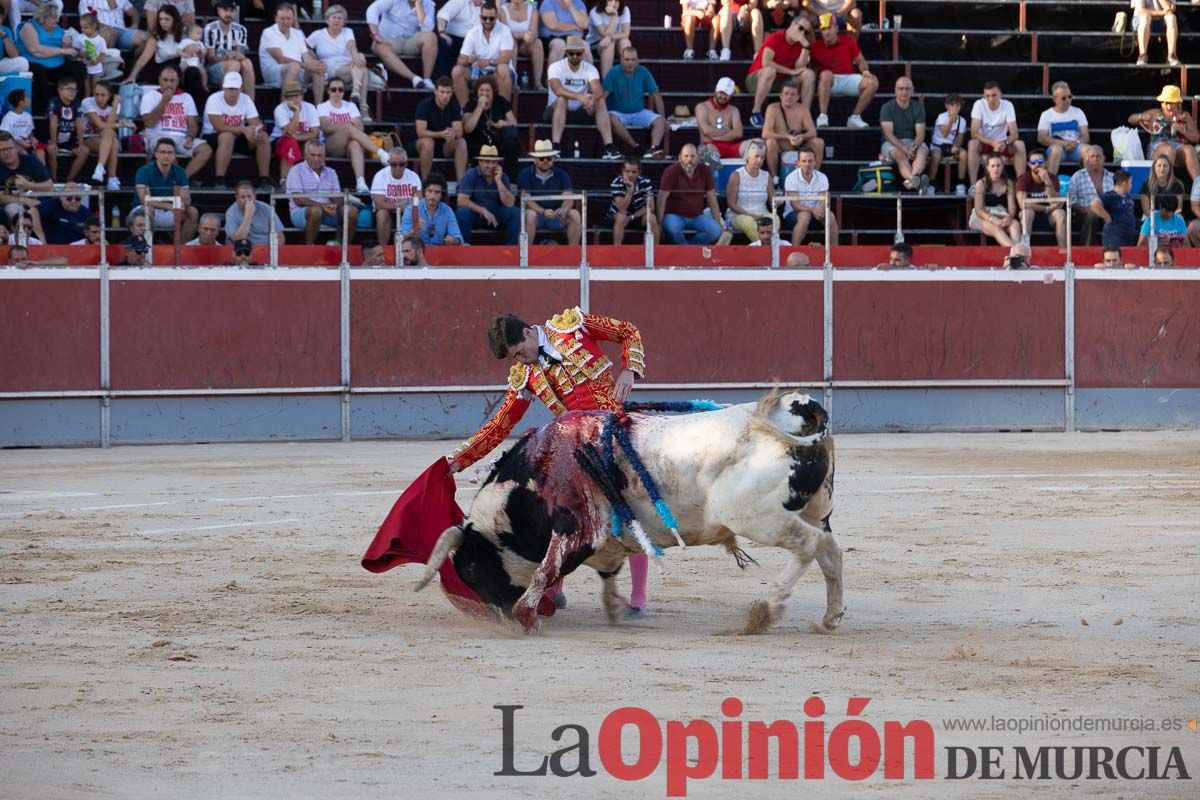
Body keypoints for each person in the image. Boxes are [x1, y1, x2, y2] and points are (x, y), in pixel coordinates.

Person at [447, 308, 649, 616]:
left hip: (615, 433)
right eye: (515, 358)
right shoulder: (526, 376)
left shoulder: (574, 327)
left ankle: (638, 598)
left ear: (528, 333)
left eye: (520, 353)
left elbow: (628, 330)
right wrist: (459, 460)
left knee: (631, 512)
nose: (521, 361)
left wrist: (629, 370)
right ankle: (553, 592)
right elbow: (500, 425)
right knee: (558, 515)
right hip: (575, 447)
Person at [545, 36, 620, 159]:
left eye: (578, 53)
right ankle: (556, 145)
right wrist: (579, 97)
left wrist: (592, 99)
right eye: (571, 53)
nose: (575, 56)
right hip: (555, 110)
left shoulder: (590, 68)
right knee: (562, 99)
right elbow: (557, 89)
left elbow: (598, 89)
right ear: (566, 53)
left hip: (580, 110)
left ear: (583, 53)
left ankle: (609, 146)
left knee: (600, 101)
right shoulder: (555, 67)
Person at [123, 3, 205, 109]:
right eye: (161, 19)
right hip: (163, 68)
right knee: (174, 71)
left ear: (174, 20)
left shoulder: (185, 34)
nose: (163, 22)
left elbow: (198, 50)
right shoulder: (156, 37)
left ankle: (197, 109)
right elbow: (143, 59)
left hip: (182, 65)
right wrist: (132, 75)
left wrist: (194, 49)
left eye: (167, 19)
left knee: (193, 71)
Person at [318, 76, 392, 194]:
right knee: (348, 128)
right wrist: (346, 126)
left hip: (348, 145)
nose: (337, 92)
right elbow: (326, 128)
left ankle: (360, 182)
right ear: (328, 91)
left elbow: (360, 128)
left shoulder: (350, 106)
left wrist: (342, 127)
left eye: (340, 90)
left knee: (355, 143)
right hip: (331, 144)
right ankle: (381, 153)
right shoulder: (323, 107)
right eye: (333, 89)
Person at [140, 65, 213, 180]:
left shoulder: (186, 97)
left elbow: (192, 123)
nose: (169, 84)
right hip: (158, 137)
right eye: (165, 80)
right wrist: (164, 101)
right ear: (159, 80)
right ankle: (179, 183)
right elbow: (149, 122)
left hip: (181, 137)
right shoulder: (150, 96)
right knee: (169, 152)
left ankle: (182, 178)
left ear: (178, 81)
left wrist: (190, 136)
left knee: (205, 150)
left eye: (172, 80)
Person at [202, 73, 272, 190]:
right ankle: (219, 179)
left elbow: (255, 121)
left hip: (238, 136)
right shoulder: (214, 99)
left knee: (263, 137)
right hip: (213, 136)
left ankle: (264, 179)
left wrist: (256, 129)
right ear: (224, 88)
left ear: (241, 88)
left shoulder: (246, 99)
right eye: (230, 88)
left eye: (236, 88)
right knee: (227, 136)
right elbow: (219, 127)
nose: (233, 92)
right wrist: (244, 129)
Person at [18, 4, 89, 115]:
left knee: (78, 68)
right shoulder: (28, 27)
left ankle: (73, 105)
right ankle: (48, 109)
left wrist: (72, 49)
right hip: (34, 62)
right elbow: (35, 50)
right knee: (39, 72)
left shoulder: (58, 30)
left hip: (56, 63)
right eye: (54, 17)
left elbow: (66, 51)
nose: (57, 19)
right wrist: (62, 50)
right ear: (44, 18)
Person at [746, 14, 812, 128]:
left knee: (808, 74)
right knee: (769, 71)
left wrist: (806, 47)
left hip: (780, 82)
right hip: (757, 79)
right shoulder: (776, 37)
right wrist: (790, 72)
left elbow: (799, 69)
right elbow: (766, 63)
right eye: (800, 28)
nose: (802, 34)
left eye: (805, 32)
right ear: (792, 24)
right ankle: (755, 112)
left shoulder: (800, 44)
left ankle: (804, 115)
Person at [287, 140, 358, 244]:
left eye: (319, 155)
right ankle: (309, 248)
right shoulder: (296, 170)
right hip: (301, 212)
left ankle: (344, 247)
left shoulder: (331, 172)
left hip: (327, 211)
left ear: (324, 156)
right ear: (305, 155)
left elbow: (337, 197)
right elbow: (298, 200)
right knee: (316, 211)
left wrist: (334, 206)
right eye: (313, 155)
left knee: (351, 211)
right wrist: (322, 206)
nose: (316, 159)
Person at [810, 14, 873, 129]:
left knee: (873, 82)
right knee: (826, 74)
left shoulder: (848, 41)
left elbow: (861, 61)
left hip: (849, 78)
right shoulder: (815, 46)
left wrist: (865, 71)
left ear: (836, 29)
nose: (827, 32)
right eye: (824, 29)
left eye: (829, 28)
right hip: (829, 81)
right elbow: (812, 67)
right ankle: (823, 116)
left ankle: (855, 117)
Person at [602, 46, 665, 160]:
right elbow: (603, 97)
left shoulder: (643, 71)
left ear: (637, 61)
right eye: (626, 60)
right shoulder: (613, 73)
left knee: (660, 121)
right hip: (617, 113)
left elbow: (656, 95)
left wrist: (663, 117)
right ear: (621, 60)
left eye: (633, 59)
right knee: (610, 118)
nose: (630, 63)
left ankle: (654, 147)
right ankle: (636, 147)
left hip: (638, 112)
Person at [309, 5, 375, 113]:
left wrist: (355, 56)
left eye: (339, 18)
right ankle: (363, 106)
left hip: (347, 68)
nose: (336, 20)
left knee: (361, 60)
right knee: (363, 69)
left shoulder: (347, 31)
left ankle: (357, 92)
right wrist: (314, 59)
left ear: (343, 22)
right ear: (327, 20)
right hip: (329, 70)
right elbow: (306, 47)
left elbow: (351, 44)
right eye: (333, 17)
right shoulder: (318, 34)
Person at [1128, 85, 1199, 183]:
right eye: (1165, 103)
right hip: (1157, 148)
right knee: (1169, 150)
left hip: (1178, 148)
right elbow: (1131, 119)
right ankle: (1166, 187)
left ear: (1178, 103)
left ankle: (1198, 187)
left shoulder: (1185, 115)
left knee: (1190, 150)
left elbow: (1196, 138)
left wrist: (1182, 130)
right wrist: (1141, 116)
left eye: (1171, 103)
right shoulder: (1156, 113)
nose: (1168, 106)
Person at [134, 138, 199, 243]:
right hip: (144, 210)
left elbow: (187, 199)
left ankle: (178, 251)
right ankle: (145, 251)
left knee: (192, 212)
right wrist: (169, 206)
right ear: (156, 154)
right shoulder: (144, 171)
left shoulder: (180, 172)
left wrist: (183, 203)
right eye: (163, 152)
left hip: (170, 211)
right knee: (148, 209)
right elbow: (144, 200)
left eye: (170, 152)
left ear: (174, 155)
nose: (166, 155)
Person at [517, 139, 581, 243]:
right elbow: (526, 201)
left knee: (575, 215)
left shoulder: (562, 174)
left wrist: (563, 209)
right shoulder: (525, 174)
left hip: (556, 215)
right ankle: (525, 257)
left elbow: (568, 197)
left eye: (549, 158)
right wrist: (543, 211)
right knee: (530, 215)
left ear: (553, 159)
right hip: (536, 216)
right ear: (535, 159)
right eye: (542, 158)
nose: (546, 161)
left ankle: (573, 255)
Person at [658, 143, 723, 244]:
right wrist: (659, 224)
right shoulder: (671, 171)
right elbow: (661, 199)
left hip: (697, 216)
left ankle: (687, 251)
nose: (689, 159)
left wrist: (718, 222)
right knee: (673, 229)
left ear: (698, 157)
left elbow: (712, 198)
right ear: (680, 158)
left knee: (716, 231)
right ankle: (687, 253)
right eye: (686, 156)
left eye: (692, 156)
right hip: (674, 215)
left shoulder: (705, 171)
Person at [455, 144, 520, 244]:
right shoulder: (471, 174)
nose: (490, 166)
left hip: (497, 214)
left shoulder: (503, 177)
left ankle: (512, 251)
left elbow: (510, 203)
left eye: (493, 162)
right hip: (477, 214)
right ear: (480, 162)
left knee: (516, 213)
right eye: (487, 162)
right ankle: (464, 246)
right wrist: (482, 210)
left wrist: (498, 180)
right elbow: (461, 200)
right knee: (461, 213)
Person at [452, 1, 514, 106]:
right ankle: (465, 111)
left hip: (497, 74)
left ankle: (504, 111)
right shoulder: (473, 32)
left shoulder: (505, 30)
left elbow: (507, 58)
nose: (488, 21)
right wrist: (468, 60)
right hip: (477, 73)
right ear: (480, 17)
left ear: (497, 17)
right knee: (457, 71)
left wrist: (489, 62)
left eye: (491, 18)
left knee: (503, 68)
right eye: (484, 18)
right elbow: (460, 60)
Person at [367, 0, 438, 92]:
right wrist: (375, 33)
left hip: (410, 40)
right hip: (390, 40)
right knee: (380, 47)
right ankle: (414, 78)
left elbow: (428, 29)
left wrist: (419, 6)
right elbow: (373, 9)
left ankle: (427, 79)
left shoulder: (429, 4)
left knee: (431, 37)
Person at [260, 4, 325, 100]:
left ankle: (318, 109)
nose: (285, 22)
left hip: (298, 69)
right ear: (276, 18)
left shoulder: (298, 33)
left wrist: (318, 65)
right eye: (282, 19)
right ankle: (284, 108)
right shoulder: (268, 32)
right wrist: (306, 65)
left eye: (288, 18)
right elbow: (280, 59)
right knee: (294, 66)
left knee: (317, 70)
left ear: (293, 18)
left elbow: (307, 57)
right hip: (274, 72)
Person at [967, 81, 1026, 184]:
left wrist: (1005, 143)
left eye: (994, 95)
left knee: (1020, 144)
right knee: (972, 144)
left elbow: (1015, 133)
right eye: (987, 96)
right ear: (983, 96)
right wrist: (992, 143)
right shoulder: (979, 104)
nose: (991, 99)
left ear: (1000, 95)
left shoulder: (1008, 105)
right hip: (985, 143)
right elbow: (974, 133)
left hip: (1002, 144)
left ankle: (1021, 185)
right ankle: (973, 186)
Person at [462, 74, 520, 176]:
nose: (484, 93)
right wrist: (479, 107)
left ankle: (511, 180)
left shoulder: (500, 101)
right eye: (481, 90)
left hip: (496, 141)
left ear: (493, 92)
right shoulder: (471, 104)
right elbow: (468, 128)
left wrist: (504, 123)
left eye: (488, 90)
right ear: (477, 92)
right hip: (477, 142)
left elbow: (513, 123)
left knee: (511, 144)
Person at [762, 78, 823, 175]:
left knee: (819, 142)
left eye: (792, 94)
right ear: (781, 95)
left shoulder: (803, 109)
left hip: (799, 145)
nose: (789, 97)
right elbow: (765, 133)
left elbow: (813, 132)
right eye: (786, 94)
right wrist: (787, 137)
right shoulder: (772, 108)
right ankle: (775, 178)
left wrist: (802, 137)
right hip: (781, 145)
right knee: (770, 142)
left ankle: (814, 176)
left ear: (798, 97)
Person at [0, 132, 53, 239]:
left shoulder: (30, 161)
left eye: (9, 148)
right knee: (12, 208)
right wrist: (26, 201)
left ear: (16, 148)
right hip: (14, 207)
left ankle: (41, 243)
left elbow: (50, 186)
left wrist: (29, 185)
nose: (6, 153)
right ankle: (21, 241)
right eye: (2, 150)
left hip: (40, 204)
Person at [879, 76, 928, 192]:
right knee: (899, 155)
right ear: (895, 90)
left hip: (912, 142)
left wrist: (914, 148)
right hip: (892, 143)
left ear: (912, 91)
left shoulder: (918, 108)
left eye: (907, 89)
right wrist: (904, 149)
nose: (904, 92)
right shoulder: (887, 108)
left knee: (923, 152)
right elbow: (888, 135)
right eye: (900, 89)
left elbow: (920, 134)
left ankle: (912, 180)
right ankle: (916, 182)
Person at [415, 76, 469, 180]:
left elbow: (459, 132)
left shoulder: (454, 106)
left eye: (448, 92)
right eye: (442, 92)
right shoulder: (424, 105)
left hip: (444, 145)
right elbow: (420, 132)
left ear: (452, 92)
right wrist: (440, 134)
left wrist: (452, 134)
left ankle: (461, 184)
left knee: (461, 142)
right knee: (428, 142)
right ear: (435, 91)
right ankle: (426, 182)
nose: (445, 96)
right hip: (422, 143)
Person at [203, 0, 256, 101]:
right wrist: (227, 57)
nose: (228, 14)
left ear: (235, 12)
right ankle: (224, 104)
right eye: (225, 10)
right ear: (219, 10)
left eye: (232, 11)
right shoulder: (210, 28)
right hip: (213, 69)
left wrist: (237, 55)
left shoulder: (241, 30)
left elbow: (240, 55)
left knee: (247, 62)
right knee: (234, 64)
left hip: (234, 66)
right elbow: (210, 59)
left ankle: (250, 105)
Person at [782, 145, 835, 244]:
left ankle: (834, 253)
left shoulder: (822, 177)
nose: (807, 164)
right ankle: (793, 252)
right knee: (805, 215)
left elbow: (824, 200)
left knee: (830, 216)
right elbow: (794, 204)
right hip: (793, 214)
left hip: (816, 214)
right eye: (804, 161)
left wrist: (821, 210)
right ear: (798, 163)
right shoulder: (791, 178)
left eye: (810, 161)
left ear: (815, 162)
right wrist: (812, 210)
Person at [371, 147, 423, 245]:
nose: (398, 167)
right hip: (389, 213)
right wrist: (399, 205)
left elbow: (418, 200)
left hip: (407, 213)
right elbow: (379, 204)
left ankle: (414, 249)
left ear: (406, 163)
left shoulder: (413, 176)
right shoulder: (380, 176)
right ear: (389, 163)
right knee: (382, 214)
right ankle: (383, 250)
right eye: (394, 164)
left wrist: (406, 207)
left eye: (401, 164)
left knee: (417, 214)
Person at [725, 140, 773, 242]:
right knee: (750, 223)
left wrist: (778, 202)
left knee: (775, 220)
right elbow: (731, 204)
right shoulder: (736, 175)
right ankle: (765, 250)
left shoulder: (767, 176)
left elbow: (773, 201)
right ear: (748, 156)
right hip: (740, 215)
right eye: (756, 156)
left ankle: (769, 250)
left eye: (762, 157)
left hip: (762, 213)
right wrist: (750, 215)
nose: (759, 160)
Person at [1036, 82, 1088, 177]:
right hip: (1056, 148)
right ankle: (1050, 186)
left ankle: (1087, 185)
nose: (1068, 100)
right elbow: (1041, 138)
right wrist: (1063, 143)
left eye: (1069, 97)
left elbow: (1085, 136)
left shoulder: (1078, 112)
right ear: (1055, 99)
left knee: (1089, 151)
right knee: (1056, 150)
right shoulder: (1046, 114)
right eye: (1063, 98)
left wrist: (1075, 143)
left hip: (1075, 147)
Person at [272, 80, 320, 182]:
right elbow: (289, 131)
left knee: (314, 144)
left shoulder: (310, 108)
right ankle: (284, 180)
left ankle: (315, 179)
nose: (295, 99)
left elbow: (314, 132)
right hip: (280, 140)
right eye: (291, 96)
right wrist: (296, 111)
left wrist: (297, 137)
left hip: (301, 138)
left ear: (302, 96)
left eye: (297, 96)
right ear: (286, 98)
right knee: (289, 142)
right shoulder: (280, 109)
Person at [969, 152, 1021, 247]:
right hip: (982, 217)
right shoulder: (981, 183)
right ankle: (1016, 254)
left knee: (1015, 224)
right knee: (997, 229)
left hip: (1001, 215)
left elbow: (1012, 208)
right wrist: (992, 219)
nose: (996, 169)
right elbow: (978, 209)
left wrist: (1009, 218)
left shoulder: (1008, 183)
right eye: (992, 166)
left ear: (1002, 167)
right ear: (987, 167)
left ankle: (1016, 256)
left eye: (998, 165)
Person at [1016, 150, 1066, 246]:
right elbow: (1022, 204)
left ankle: (1063, 251)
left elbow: (1054, 201)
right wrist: (1046, 208)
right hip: (1031, 215)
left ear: (1046, 163)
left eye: (1040, 162)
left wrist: (1047, 181)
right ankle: (1024, 250)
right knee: (1027, 213)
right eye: (1033, 162)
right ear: (1029, 165)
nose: (1037, 165)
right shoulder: (1023, 178)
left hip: (1048, 217)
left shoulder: (1052, 178)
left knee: (1061, 214)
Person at [1068, 144, 1114, 246]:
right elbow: (1071, 201)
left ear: (1104, 159)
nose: (1095, 159)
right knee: (1091, 216)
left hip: (1108, 212)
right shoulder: (1077, 176)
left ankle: (1114, 250)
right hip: (1084, 214)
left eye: (1098, 156)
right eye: (1092, 156)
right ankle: (1087, 250)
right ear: (1087, 160)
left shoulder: (1112, 177)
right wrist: (1083, 209)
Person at [399, 172, 462, 245]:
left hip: (439, 251)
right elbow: (401, 239)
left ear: (441, 195)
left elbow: (458, 237)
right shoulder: (411, 209)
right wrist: (413, 230)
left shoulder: (447, 211)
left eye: (437, 192)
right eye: (430, 191)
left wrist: (453, 240)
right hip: (417, 252)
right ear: (424, 192)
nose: (432, 196)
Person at [47, 76, 88, 183]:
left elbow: (79, 123)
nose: (73, 92)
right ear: (60, 90)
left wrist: (81, 144)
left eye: (75, 90)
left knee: (84, 151)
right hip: (54, 139)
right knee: (51, 150)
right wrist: (54, 143)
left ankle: (70, 179)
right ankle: (53, 180)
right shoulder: (54, 101)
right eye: (69, 89)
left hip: (70, 141)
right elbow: (53, 123)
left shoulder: (77, 103)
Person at [696, 77, 747, 162]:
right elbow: (706, 130)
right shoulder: (702, 107)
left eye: (726, 94)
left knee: (757, 144)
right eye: (721, 92)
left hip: (730, 146)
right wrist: (728, 131)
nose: (723, 96)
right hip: (710, 145)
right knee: (709, 151)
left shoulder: (733, 110)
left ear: (731, 95)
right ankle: (715, 175)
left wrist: (714, 137)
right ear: (716, 90)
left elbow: (738, 133)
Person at [81, 81, 121, 189]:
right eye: (96, 95)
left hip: (105, 140)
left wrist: (116, 105)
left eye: (103, 95)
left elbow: (109, 126)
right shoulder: (87, 102)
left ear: (109, 96)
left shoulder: (113, 107)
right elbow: (101, 125)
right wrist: (123, 125)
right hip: (87, 138)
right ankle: (111, 177)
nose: (99, 98)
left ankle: (100, 169)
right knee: (110, 134)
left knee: (112, 138)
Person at [606, 155, 653, 244]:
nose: (630, 175)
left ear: (639, 172)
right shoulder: (617, 182)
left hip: (637, 216)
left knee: (652, 218)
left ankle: (655, 254)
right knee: (621, 217)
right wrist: (630, 191)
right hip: (616, 217)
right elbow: (621, 209)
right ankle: (617, 253)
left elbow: (650, 207)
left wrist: (632, 217)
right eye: (627, 171)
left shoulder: (645, 182)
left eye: (634, 172)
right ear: (623, 171)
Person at [226, 180, 288, 245]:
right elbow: (238, 239)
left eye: (249, 196)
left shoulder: (267, 209)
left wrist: (268, 251)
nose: (247, 200)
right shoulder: (231, 213)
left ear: (255, 196)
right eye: (243, 197)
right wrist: (248, 215)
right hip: (244, 251)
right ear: (237, 198)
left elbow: (280, 237)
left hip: (266, 250)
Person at [500, 0, 544, 90]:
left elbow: (534, 32)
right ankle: (513, 81)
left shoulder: (533, 10)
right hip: (507, 44)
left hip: (526, 44)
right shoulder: (502, 10)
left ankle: (538, 83)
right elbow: (505, 33)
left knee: (538, 44)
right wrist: (523, 35)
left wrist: (529, 36)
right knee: (511, 42)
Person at [928, 93, 967, 191]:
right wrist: (951, 120)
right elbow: (944, 133)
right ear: (946, 106)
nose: (955, 108)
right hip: (938, 145)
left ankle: (960, 183)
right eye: (952, 105)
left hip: (951, 146)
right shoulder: (942, 117)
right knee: (935, 157)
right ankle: (931, 183)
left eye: (957, 105)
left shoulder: (962, 121)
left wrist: (956, 146)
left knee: (964, 154)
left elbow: (960, 138)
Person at [436, 0, 485, 79]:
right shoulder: (459, 1)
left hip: (474, 43)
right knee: (443, 41)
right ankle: (443, 80)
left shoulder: (486, 6)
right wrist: (441, 32)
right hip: (455, 39)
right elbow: (442, 15)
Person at [587, 0, 629, 78]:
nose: (614, 3)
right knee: (609, 45)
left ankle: (628, 80)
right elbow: (604, 34)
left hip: (616, 42)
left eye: (616, 0)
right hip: (597, 45)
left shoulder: (625, 10)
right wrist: (614, 16)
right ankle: (607, 84)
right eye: (610, 0)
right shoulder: (595, 12)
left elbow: (626, 33)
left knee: (625, 42)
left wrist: (610, 37)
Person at [540, 0, 590, 66]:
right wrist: (574, 27)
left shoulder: (579, 3)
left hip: (573, 38)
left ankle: (586, 76)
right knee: (559, 44)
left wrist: (571, 6)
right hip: (553, 37)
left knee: (584, 46)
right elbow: (552, 25)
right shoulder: (548, 2)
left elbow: (585, 24)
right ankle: (553, 75)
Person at [1138, 153, 1186, 218]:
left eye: (1165, 166)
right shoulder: (1146, 185)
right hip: (1152, 216)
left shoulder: (1177, 185)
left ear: (1170, 168)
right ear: (1154, 168)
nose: (1162, 169)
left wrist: (1168, 216)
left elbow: (1178, 209)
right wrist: (1160, 219)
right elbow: (1146, 210)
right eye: (1159, 165)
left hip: (1172, 216)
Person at [1132, 0, 1179, 67]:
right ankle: (1142, 56)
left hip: (1161, 20)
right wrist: (1162, 13)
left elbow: (1170, 8)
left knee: (1171, 17)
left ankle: (1172, 56)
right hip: (1141, 19)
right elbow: (1140, 11)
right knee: (1145, 17)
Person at [1100, 169, 1138, 248]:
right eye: (1130, 182)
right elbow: (1094, 204)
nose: (1131, 185)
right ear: (1124, 184)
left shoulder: (1128, 198)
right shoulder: (1110, 196)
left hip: (1128, 236)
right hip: (1114, 237)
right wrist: (1106, 217)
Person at [0, 89, 39, 162]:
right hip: (14, 144)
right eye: (27, 97)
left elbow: (30, 134)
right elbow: (4, 136)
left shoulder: (28, 116)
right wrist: (19, 141)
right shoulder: (8, 117)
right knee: (24, 154)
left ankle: (41, 173)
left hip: (27, 144)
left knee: (40, 153)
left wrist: (33, 139)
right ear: (21, 102)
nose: (29, 99)